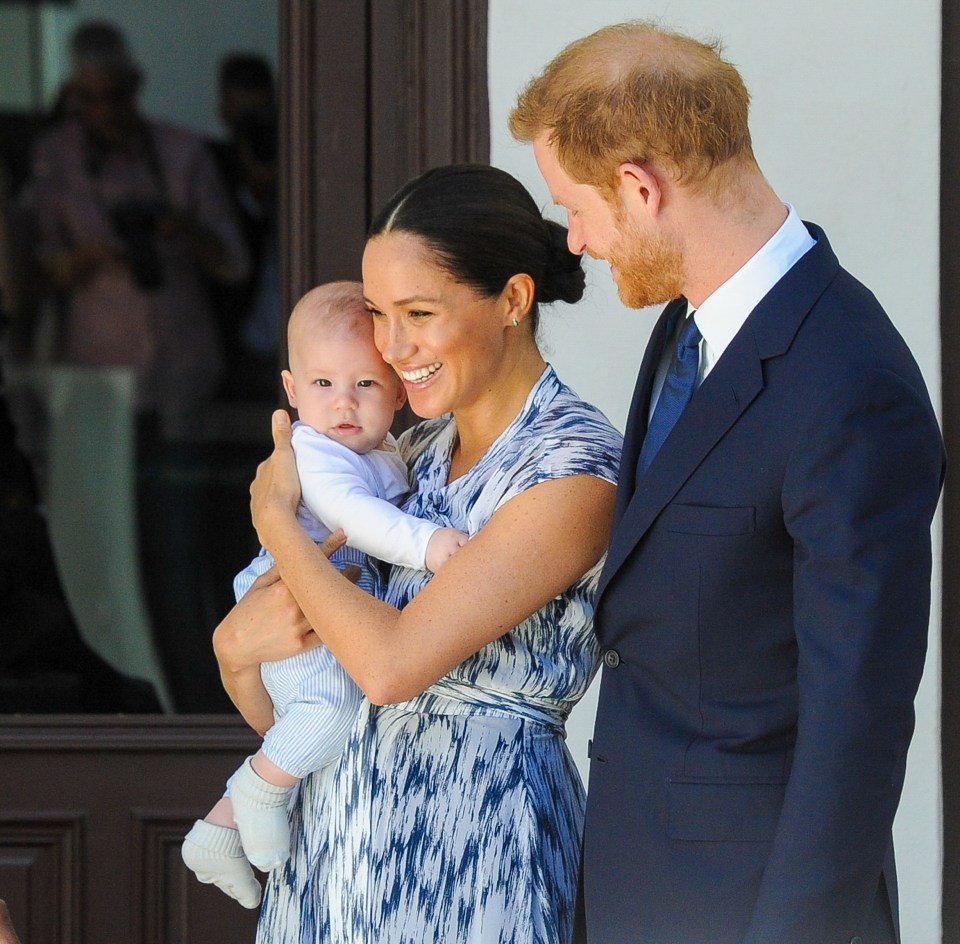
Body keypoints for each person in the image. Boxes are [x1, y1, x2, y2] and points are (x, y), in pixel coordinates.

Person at [508, 19, 947, 944]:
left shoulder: (852, 382)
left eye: (575, 207)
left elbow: (855, 729)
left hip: (752, 910)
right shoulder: (684, 332)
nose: (577, 241)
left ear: (640, 185)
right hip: (639, 886)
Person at [212, 164, 623, 943]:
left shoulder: (574, 467)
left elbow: (389, 667)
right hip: (334, 858)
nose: (390, 347)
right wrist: (234, 654)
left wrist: (275, 521)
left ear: (512, 299)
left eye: (418, 313)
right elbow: (309, 708)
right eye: (376, 313)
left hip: (475, 861)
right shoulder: (412, 452)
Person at [181, 280, 466, 907]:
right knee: (330, 709)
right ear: (290, 390)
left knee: (322, 710)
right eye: (322, 385)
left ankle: (219, 830)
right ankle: (257, 789)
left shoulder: (388, 450)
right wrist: (429, 545)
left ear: (396, 389)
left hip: (325, 599)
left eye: (364, 385)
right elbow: (355, 518)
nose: (343, 403)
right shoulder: (314, 452)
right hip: (291, 597)